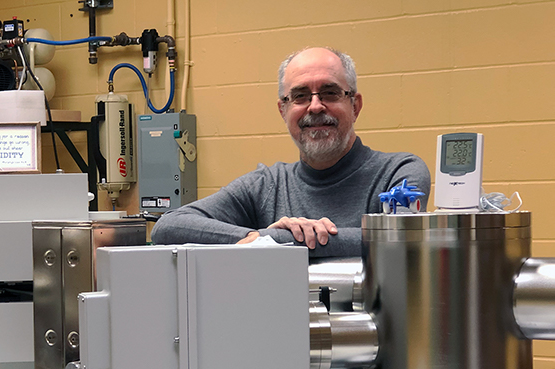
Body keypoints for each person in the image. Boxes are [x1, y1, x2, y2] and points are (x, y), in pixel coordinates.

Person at [150, 47, 431, 257]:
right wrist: (258, 237)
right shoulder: (264, 186)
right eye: (300, 96)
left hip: (372, 333)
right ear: (283, 110)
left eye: (330, 93)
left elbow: (400, 238)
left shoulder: (398, 173)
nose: (315, 106)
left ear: (355, 106)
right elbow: (169, 227)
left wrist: (277, 241)